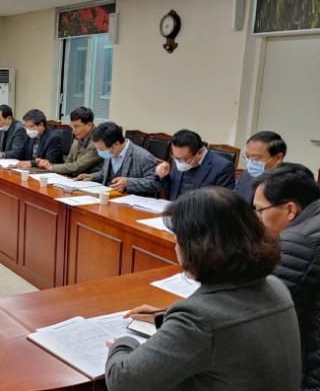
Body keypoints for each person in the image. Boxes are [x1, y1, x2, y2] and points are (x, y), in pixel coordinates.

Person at [106, 187, 301, 391]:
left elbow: (123, 382)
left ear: (196, 247)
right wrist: (166, 319)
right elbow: (231, 328)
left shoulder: (199, 319)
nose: (175, 247)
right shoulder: (275, 285)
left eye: (177, 239)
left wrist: (124, 343)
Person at [253, 163, 320, 389]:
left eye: (259, 210)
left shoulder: (298, 242)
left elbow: (261, 312)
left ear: (290, 209)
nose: (256, 218)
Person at [77, 122, 159, 196]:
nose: (99, 152)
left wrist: (128, 182)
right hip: (108, 196)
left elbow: (156, 183)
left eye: (101, 149)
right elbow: (105, 173)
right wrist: (91, 176)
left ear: (116, 144)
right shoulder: (111, 152)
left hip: (130, 201)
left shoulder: (143, 157)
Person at [156, 129, 235, 200]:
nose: (179, 162)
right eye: (176, 157)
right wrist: (163, 176)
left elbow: (222, 203)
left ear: (200, 152)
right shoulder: (179, 157)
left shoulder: (222, 167)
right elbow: (172, 191)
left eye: (184, 159)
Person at [36, 106, 102, 177]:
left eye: (76, 126)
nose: (73, 131)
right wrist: (48, 165)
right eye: (72, 126)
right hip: (74, 179)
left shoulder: (99, 143)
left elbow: (77, 167)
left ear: (89, 125)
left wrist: (51, 167)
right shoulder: (78, 137)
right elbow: (68, 163)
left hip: (91, 181)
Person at [234, 131, 286, 203]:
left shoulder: (288, 185)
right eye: (248, 157)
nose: (250, 163)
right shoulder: (247, 175)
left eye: (256, 158)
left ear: (278, 158)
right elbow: (234, 201)